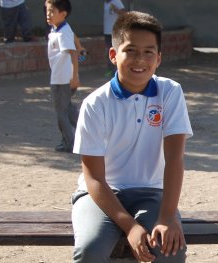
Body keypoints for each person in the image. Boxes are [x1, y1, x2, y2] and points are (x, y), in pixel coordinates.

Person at [71, 11, 191, 262]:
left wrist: (167, 217)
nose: (140, 59)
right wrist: (131, 226)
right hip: (102, 194)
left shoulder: (170, 92)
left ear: (158, 58)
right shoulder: (95, 103)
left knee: (172, 250)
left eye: (149, 52)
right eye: (131, 51)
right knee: (90, 249)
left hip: (152, 192)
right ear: (114, 55)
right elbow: (93, 177)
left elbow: (175, 159)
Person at [45, 0, 79, 152]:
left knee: (61, 113)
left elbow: (73, 53)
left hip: (62, 79)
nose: (48, 14)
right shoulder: (56, 30)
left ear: (63, 14)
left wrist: (75, 76)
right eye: (47, 10)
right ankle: (88, 132)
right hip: (59, 77)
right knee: (68, 110)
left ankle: (69, 142)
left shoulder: (64, 32)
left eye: (52, 11)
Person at [104, 0, 126, 77]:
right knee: (109, 52)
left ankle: (118, 70)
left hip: (115, 32)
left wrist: (116, 9)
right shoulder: (105, 3)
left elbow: (124, 13)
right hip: (106, 32)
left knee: (116, 51)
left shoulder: (116, 1)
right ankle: (110, 70)